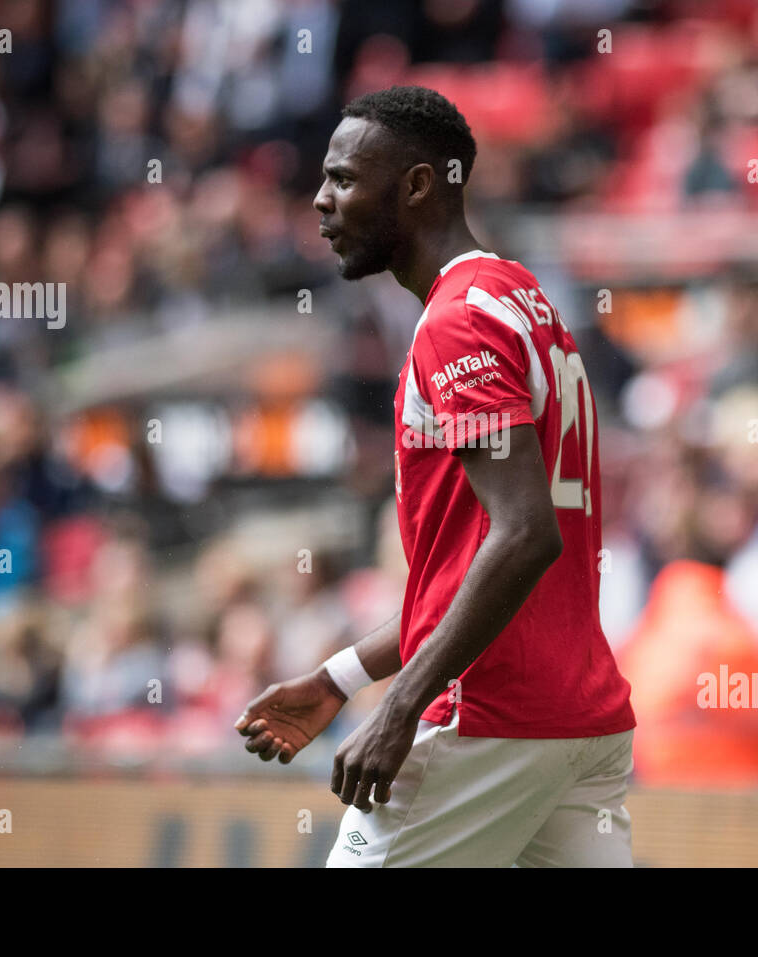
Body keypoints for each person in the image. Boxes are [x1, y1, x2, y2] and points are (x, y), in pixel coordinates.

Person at [235, 86, 636, 867]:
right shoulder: (524, 300)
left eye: (344, 179)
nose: (321, 201)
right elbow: (474, 568)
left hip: (490, 714)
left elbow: (524, 536)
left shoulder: (459, 320)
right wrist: (338, 676)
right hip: (579, 718)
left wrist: (402, 705)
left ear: (418, 185)